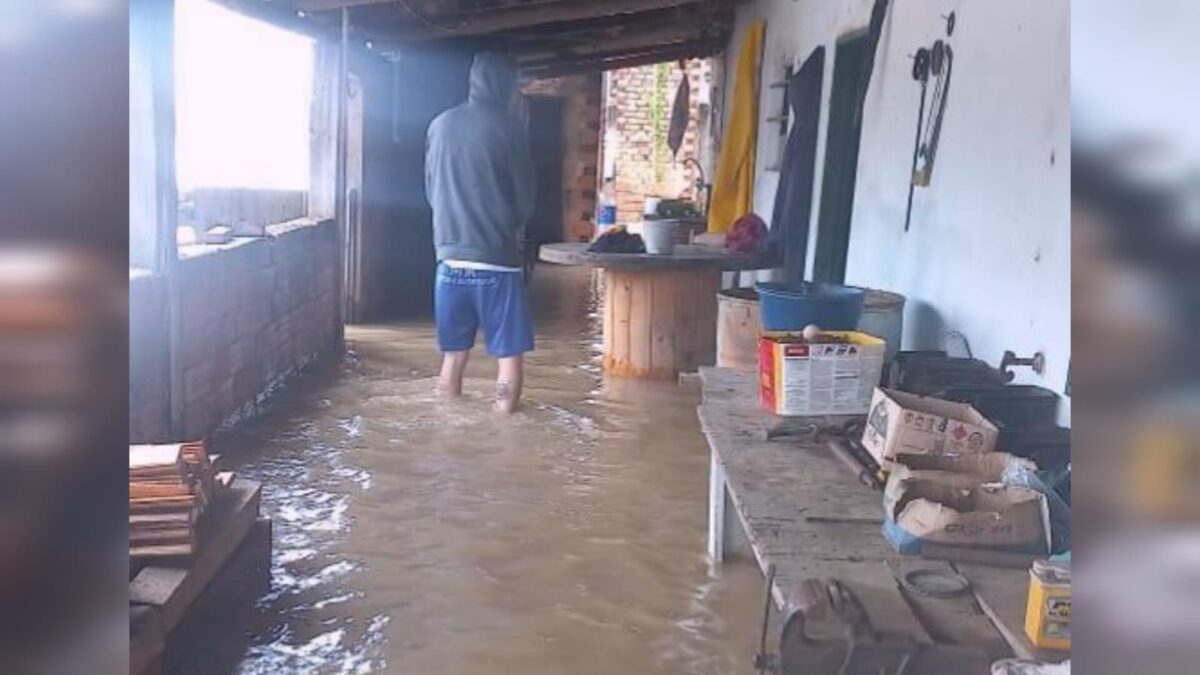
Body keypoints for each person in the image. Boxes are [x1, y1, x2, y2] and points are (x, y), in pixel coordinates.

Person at [425, 51, 536, 413]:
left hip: (448, 263)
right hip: (496, 263)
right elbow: (525, 201)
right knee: (508, 358)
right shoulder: (509, 129)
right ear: (505, 85)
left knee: (453, 358)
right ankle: (505, 441)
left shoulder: (439, 124)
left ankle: (448, 431)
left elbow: (431, 190)